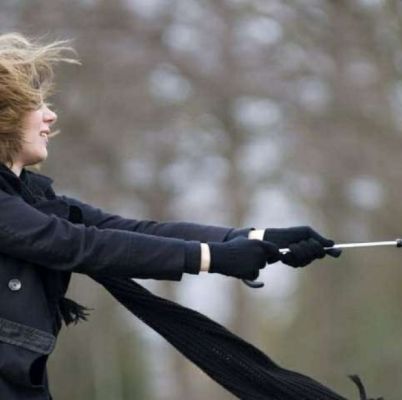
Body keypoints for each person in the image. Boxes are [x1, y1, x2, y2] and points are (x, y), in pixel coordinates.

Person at [0, 32, 342, 399]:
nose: (50, 115)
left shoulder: (34, 198)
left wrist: (254, 238)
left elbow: (129, 229)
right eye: (36, 104)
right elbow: (78, 244)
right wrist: (213, 258)